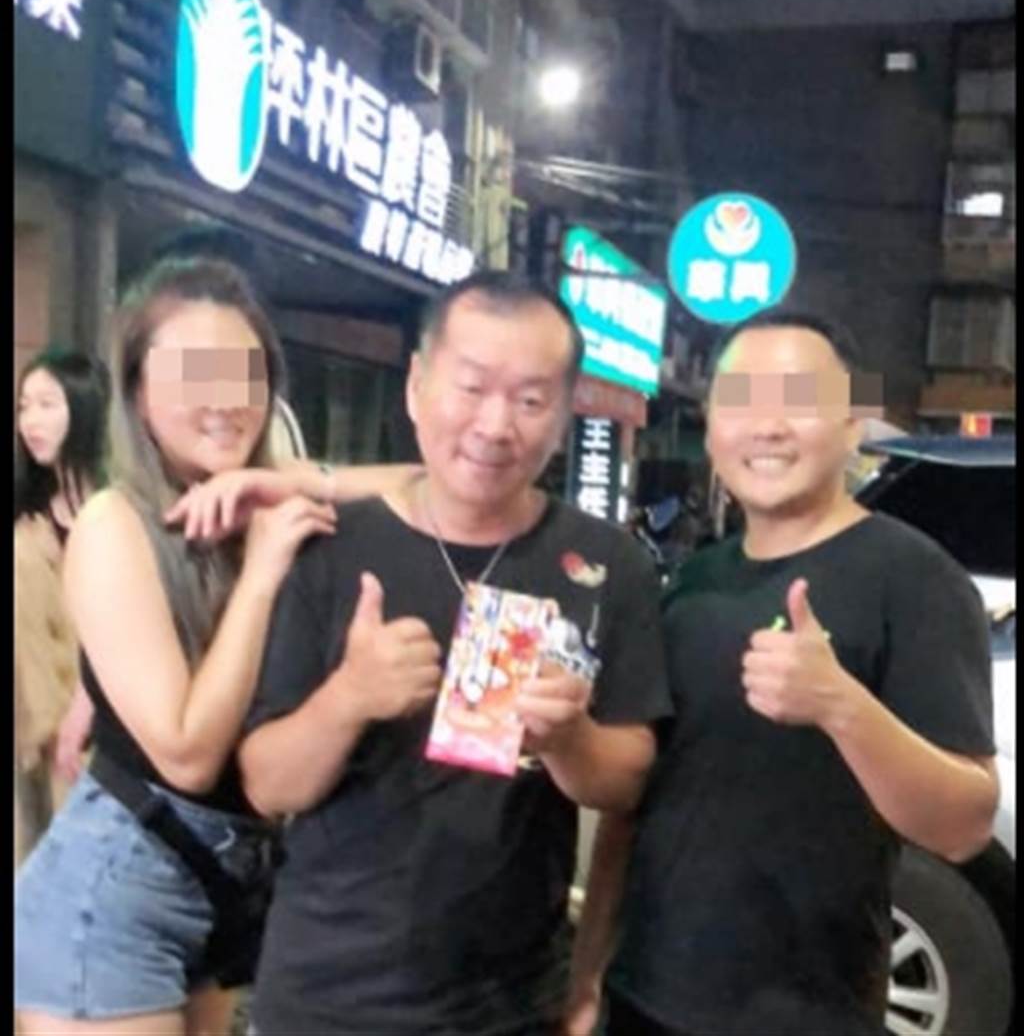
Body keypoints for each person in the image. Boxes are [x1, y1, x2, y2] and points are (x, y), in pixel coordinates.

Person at [236, 271, 672, 1035]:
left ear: (564, 414)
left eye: (531, 400)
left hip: (510, 1004)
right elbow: (268, 784)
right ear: (416, 386)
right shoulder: (330, 547)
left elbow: (628, 779)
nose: (495, 424)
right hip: (324, 998)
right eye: (471, 387)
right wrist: (350, 696)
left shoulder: (611, 564)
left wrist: (568, 737)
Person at [14, 255, 417, 1036]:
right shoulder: (114, 524)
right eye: (195, 372)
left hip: (229, 884)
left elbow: (436, 489)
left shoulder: (263, 494)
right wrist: (261, 573)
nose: (227, 399)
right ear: (138, 387)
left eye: (246, 372)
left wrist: (300, 482)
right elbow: (188, 754)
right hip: (113, 896)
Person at [566, 313, 999, 1036]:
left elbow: (965, 824)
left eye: (798, 397)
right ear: (711, 428)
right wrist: (587, 976)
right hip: (643, 997)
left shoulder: (916, 578)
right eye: (740, 399)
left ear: (854, 423)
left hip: (808, 1013)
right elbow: (634, 809)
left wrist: (841, 706)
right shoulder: (691, 582)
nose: (766, 426)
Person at [15, 347, 110, 867]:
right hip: (27, 730)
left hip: (98, 736)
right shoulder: (24, 517)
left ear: (85, 407)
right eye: (24, 406)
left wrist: (87, 699)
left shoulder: (119, 514)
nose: (30, 421)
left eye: (47, 404)